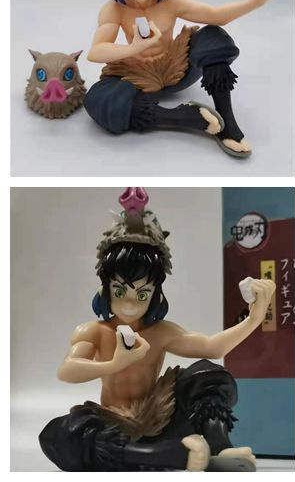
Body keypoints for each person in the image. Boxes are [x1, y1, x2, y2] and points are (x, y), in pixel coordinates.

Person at [39, 187, 276, 471]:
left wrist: (254, 318)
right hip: (113, 425)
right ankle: (158, 455)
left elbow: (212, 348)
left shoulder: (161, 332)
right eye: (120, 291)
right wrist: (115, 363)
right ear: (106, 288)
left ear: (155, 295)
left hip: (159, 417)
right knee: (58, 433)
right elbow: (67, 371)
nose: (130, 304)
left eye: (142, 294)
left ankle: (219, 448)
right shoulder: (94, 332)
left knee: (207, 374)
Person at [84, 0, 286, 158]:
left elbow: (216, 16)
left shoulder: (172, 1)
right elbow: (96, 51)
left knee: (213, 37)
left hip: (176, 69)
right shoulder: (114, 9)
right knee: (98, 100)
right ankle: (184, 117)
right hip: (138, 77)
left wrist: (258, 0)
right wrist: (134, 48)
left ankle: (227, 124)